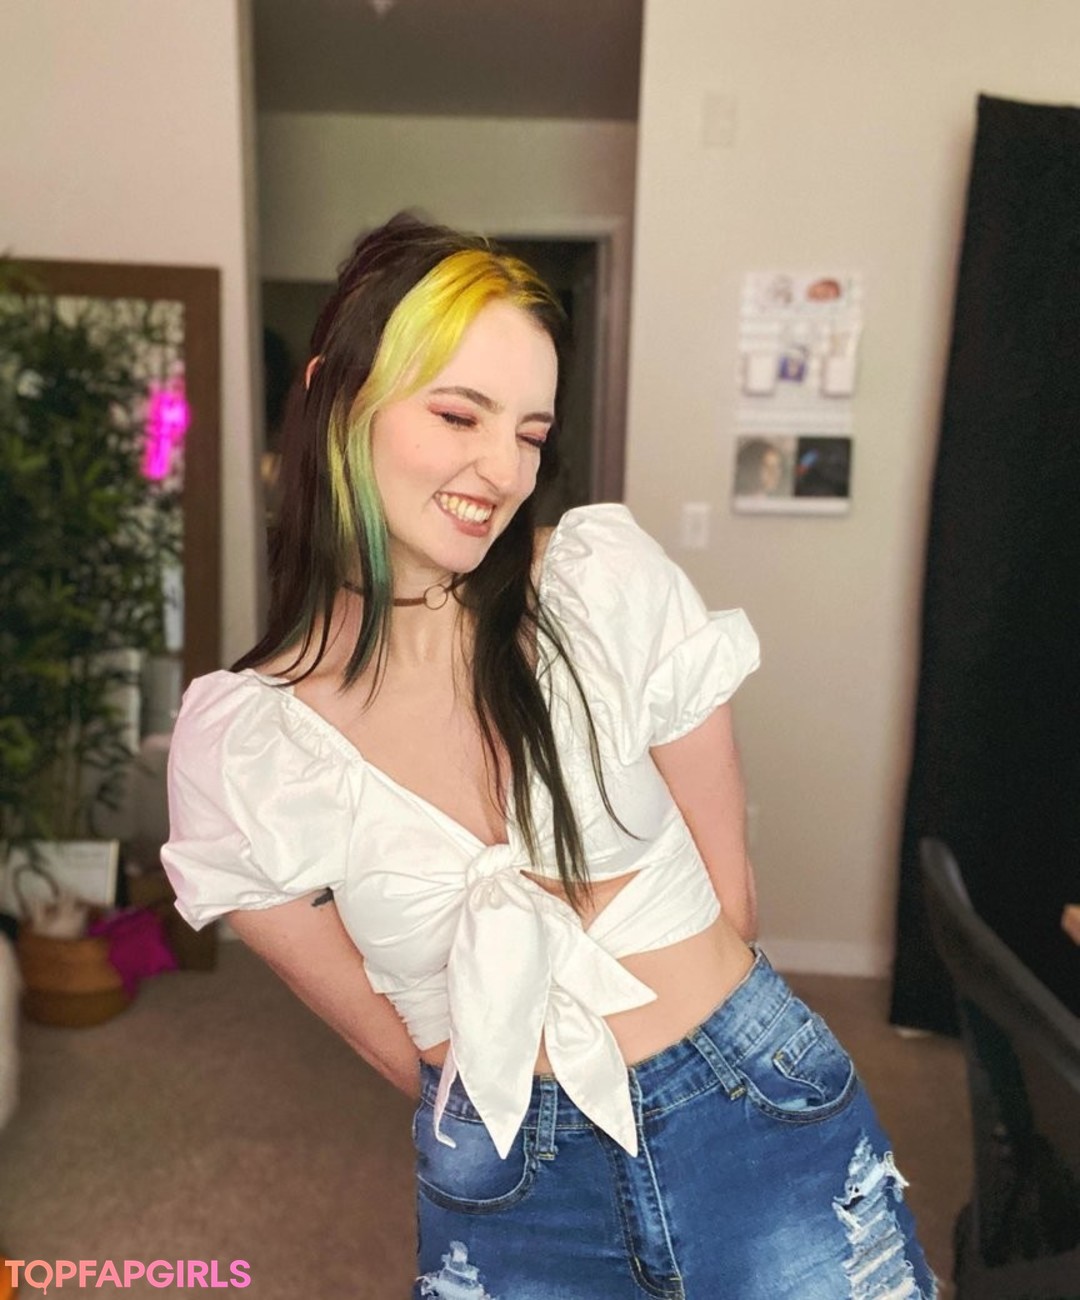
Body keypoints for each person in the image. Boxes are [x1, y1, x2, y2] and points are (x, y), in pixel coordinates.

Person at [162, 213, 936, 1299]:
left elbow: (733, 900)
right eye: (459, 414)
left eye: (530, 433)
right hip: (512, 1186)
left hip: (754, 1107)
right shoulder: (243, 751)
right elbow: (398, 1048)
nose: (502, 468)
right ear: (335, 395)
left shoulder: (599, 585)